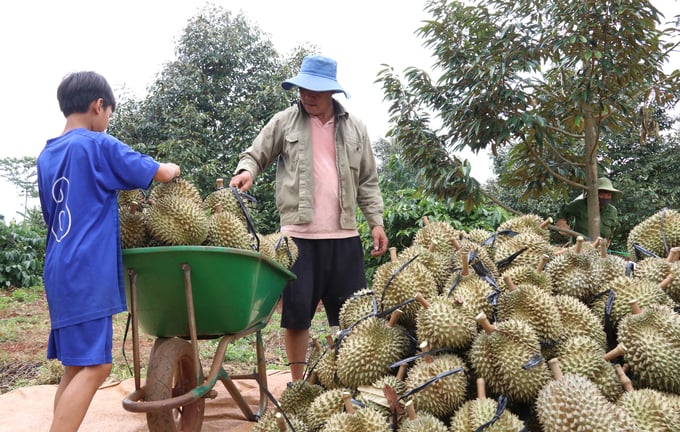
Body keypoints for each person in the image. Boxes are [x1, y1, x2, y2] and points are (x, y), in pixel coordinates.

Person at [229, 54, 388, 381]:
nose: (307, 95)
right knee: (297, 316)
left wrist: (376, 221)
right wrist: (246, 172)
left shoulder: (355, 127)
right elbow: (255, 153)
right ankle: (297, 382)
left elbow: (368, 181)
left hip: (343, 236)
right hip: (298, 237)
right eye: (303, 89)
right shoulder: (284, 121)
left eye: (315, 90)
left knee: (352, 317)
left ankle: (349, 380)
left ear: (332, 92)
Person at [37, 71, 180, 432]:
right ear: (98, 105)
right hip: (86, 269)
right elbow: (159, 173)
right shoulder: (98, 145)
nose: (108, 122)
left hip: (58, 266)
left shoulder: (47, 154)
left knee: (76, 365)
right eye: (109, 114)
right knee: (97, 367)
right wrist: (173, 168)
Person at [555, 177, 622, 243]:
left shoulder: (612, 211)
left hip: (599, 250)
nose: (605, 197)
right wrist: (561, 223)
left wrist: (608, 240)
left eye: (608, 195)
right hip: (578, 248)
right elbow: (563, 210)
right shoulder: (580, 204)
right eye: (601, 194)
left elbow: (613, 228)